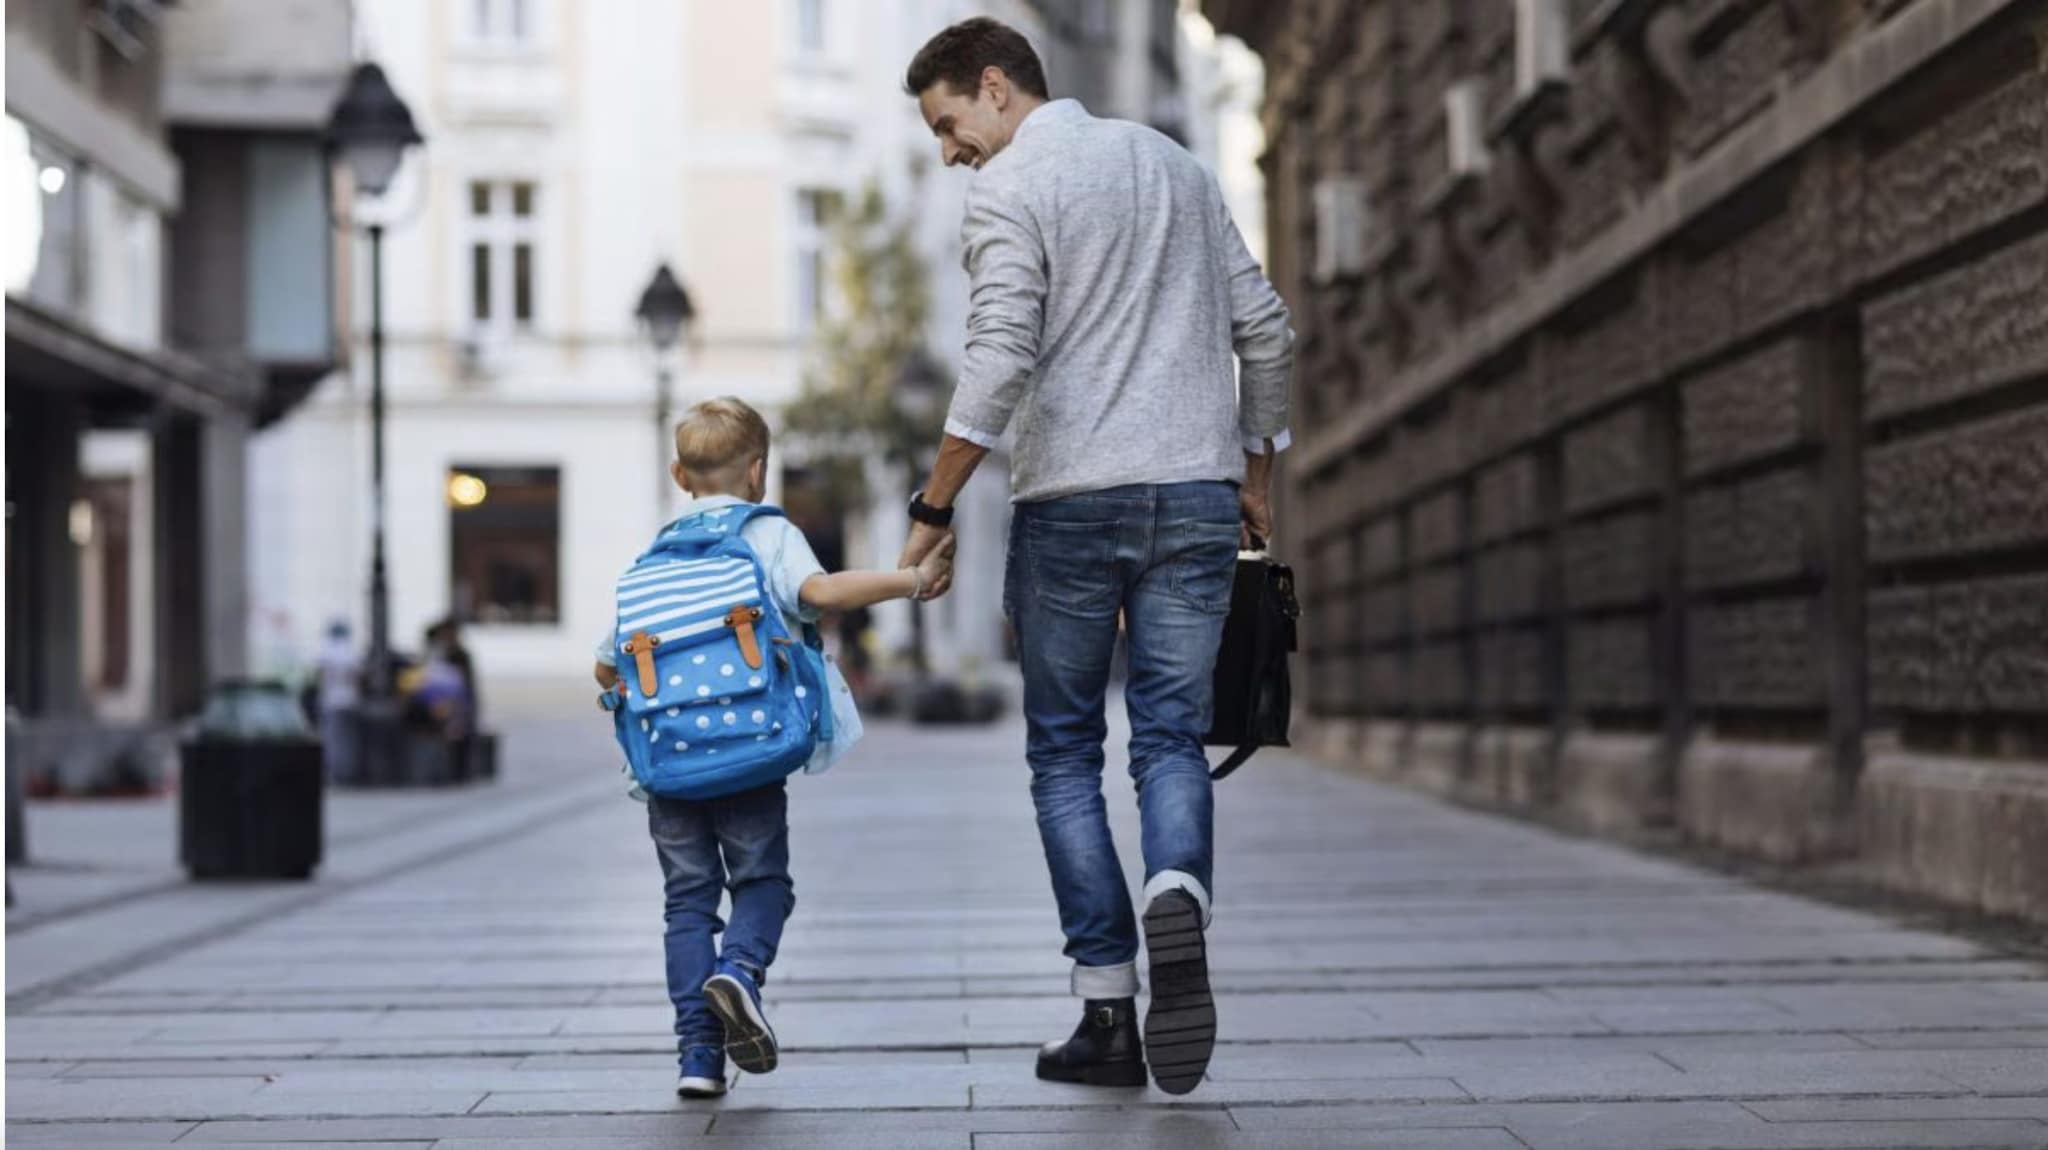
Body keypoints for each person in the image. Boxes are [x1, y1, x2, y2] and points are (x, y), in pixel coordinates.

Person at [898, 18, 1295, 1095]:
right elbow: (1264, 330)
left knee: (1065, 753)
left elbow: (996, 359)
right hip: (1196, 495)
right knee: (1167, 733)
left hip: (1073, 504)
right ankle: (1178, 885)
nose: (948, 151)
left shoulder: (1011, 190)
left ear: (992, 88)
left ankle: (1108, 1010)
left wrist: (932, 505)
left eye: (946, 125)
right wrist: (1256, 471)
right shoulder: (1174, 166)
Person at [593, 397, 956, 1099]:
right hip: (749, 751)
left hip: (668, 763)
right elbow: (820, 593)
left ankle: (698, 1058)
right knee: (762, 883)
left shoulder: (653, 557)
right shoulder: (766, 532)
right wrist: (911, 580)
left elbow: (608, 666)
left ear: (679, 474)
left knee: (686, 904)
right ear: (758, 471)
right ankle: (741, 970)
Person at [314, 620, 362, 784]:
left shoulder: (326, 650)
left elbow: (319, 674)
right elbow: (357, 677)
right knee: (348, 740)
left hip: (332, 702)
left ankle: (336, 774)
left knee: (333, 740)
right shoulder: (351, 651)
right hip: (350, 701)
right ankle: (347, 773)